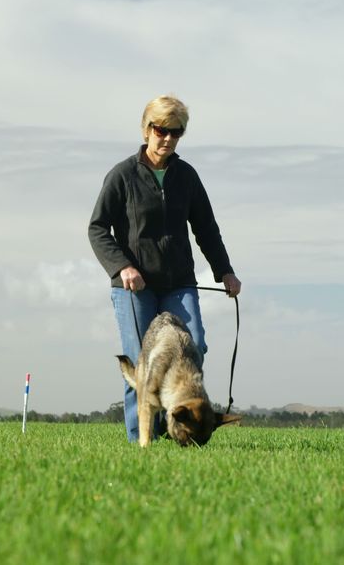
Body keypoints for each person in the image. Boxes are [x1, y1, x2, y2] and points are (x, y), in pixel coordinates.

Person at [88, 95, 242, 443]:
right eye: (161, 130)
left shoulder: (186, 177)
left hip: (178, 284)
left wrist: (225, 272)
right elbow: (97, 229)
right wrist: (122, 266)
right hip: (133, 287)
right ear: (147, 130)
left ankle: (179, 426)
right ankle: (140, 441)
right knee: (143, 367)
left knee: (196, 345)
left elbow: (206, 229)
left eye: (176, 132)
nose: (168, 138)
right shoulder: (122, 175)